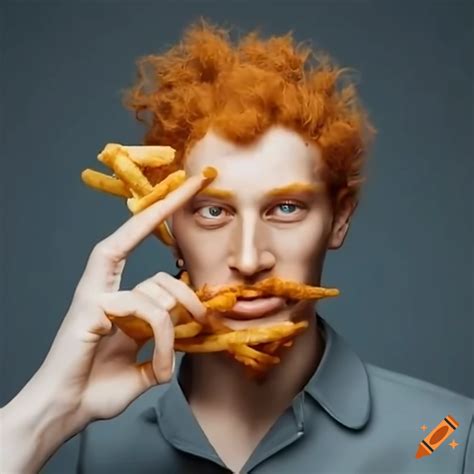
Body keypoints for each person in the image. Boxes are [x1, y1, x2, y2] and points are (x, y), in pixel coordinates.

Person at [1, 20, 473, 474]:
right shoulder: (101, 433)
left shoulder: (449, 438)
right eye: (212, 211)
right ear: (166, 223)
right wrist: (49, 411)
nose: (249, 259)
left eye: (286, 208)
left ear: (340, 218)